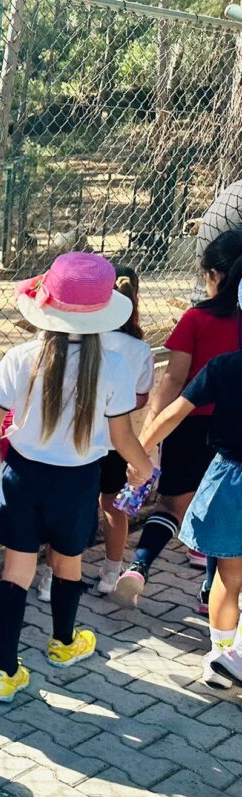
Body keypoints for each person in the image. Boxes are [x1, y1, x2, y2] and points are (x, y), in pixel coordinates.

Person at [0, 252, 153, 702]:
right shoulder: (113, 366)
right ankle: (63, 643)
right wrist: (144, 466)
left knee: (16, 571)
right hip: (77, 480)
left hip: (23, 476)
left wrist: (13, 441)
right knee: (68, 563)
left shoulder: (19, 357)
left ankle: (4, 671)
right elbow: (122, 437)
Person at [113, 229, 242, 608]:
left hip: (189, 424)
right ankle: (210, 594)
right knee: (223, 517)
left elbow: (172, 380)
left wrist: (146, 440)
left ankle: (139, 566)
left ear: (215, 275)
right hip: (233, 432)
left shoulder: (196, 318)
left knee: (170, 506)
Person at [138, 342, 242, 688]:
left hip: (230, 478)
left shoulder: (224, 366)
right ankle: (233, 657)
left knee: (228, 576)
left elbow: (173, 413)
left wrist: (140, 453)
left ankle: (222, 656)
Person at [90, 265, 155, 596]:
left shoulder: (89, 339)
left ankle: (51, 576)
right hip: (118, 441)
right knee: (113, 505)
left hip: (81, 438)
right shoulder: (140, 349)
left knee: (72, 503)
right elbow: (141, 398)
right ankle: (111, 572)